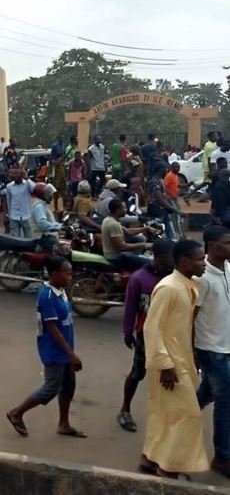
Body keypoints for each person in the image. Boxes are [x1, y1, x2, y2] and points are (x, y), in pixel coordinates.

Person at [140, 240, 208, 479]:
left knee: (166, 414)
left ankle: (149, 457)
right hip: (169, 364)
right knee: (190, 414)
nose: (204, 263)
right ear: (184, 261)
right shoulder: (168, 288)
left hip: (182, 358)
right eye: (200, 259)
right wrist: (165, 366)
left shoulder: (189, 285)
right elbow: (152, 328)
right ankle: (168, 467)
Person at [6, 256, 85, 438]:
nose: (70, 276)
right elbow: (52, 328)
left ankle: (64, 424)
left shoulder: (61, 291)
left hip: (65, 350)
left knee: (69, 386)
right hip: (55, 350)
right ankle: (16, 413)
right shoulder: (47, 296)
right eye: (67, 273)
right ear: (55, 274)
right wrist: (71, 354)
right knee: (51, 388)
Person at [117, 240, 175, 433]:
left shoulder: (174, 277)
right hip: (146, 334)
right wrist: (127, 332)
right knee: (137, 372)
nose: (174, 260)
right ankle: (125, 409)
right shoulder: (139, 278)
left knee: (169, 376)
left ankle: (165, 416)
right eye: (170, 256)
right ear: (159, 257)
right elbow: (130, 307)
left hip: (171, 335)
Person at [195, 226, 230, 478]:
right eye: (227, 243)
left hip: (226, 346)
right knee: (226, 402)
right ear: (211, 246)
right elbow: (190, 317)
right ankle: (222, 457)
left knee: (206, 394)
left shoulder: (228, 268)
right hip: (210, 349)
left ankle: (176, 421)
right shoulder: (201, 277)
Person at [101, 199, 154, 271]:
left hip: (113, 256)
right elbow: (122, 247)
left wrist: (146, 228)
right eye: (124, 208)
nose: (126, 210)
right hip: (116, 258)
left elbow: (128, 232)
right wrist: (143, 245)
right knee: (149, 264)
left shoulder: (109, 219)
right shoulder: (113, 224)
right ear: (118, 210)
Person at [30, 183, 62, 252]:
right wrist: (58, 227)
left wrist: (60, 225)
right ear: (43, 195)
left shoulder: (43, 205)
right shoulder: (39, 207)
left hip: (45, 237)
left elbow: (51, 222)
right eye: (49, 194)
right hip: (41, 239)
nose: (51, 196)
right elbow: (42, 224)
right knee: (61, 255)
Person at [4, 169, 34, 238]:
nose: (16, 176)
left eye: (17, 174)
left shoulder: (27, 184)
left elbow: (34, 188)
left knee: (29, 239)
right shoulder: (9, 186)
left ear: (21, 175)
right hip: (14, 216)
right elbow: (8, 201)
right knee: (15, 240)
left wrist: (27, 178)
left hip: (26, 215)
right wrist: (8, 216)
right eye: (14, 174)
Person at [164, 162, 183, 239]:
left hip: (174, 198)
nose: (177, 169)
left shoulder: (175, 175)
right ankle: (177, 234)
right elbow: (165, 186)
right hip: (170, 198)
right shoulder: (169, 176)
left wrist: (188, 185)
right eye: (176, 167)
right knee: (176, 215)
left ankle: (179, 233)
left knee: (178, 215)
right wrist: (170, 195)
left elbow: (178, 185)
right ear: (172, 168)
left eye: (178, 168)